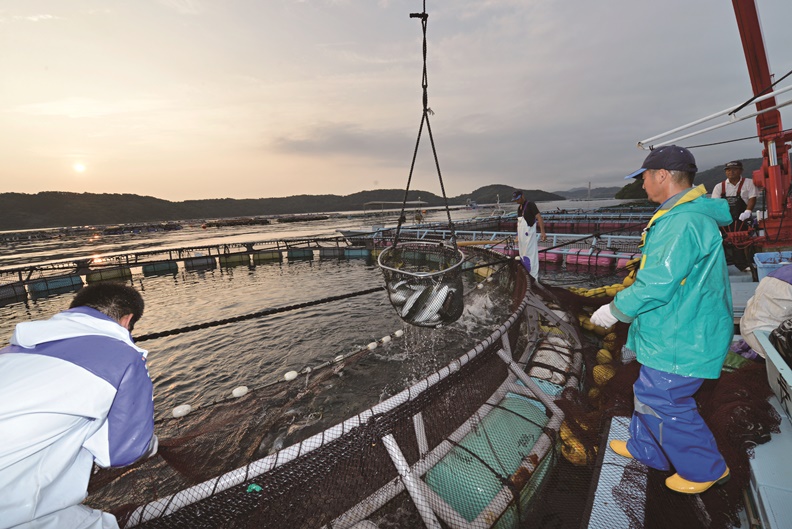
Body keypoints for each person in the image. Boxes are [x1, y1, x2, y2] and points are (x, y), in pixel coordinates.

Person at [590, 145, 734, 494]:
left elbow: (657, 283)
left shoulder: (682, 222)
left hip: (683, 334)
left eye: (644, 178)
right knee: (646, 390)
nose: (642, 185)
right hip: (673, 327)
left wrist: (614, 310)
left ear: (663, 176)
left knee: (663, 399)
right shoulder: (681, 217)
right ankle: (647, 448)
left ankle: (705, 470)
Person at [0, 283, 157, 529]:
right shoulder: (124, 357)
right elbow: (121, 453)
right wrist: (151, 444)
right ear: (127, 321)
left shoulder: (10, 353)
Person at [710, 160, 757, 271]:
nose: (731, 172)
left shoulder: (748, 183)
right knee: (723, 241)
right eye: (728, 170)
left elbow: (752, 198)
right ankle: (723, 265)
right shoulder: (719, 187)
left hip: (743, 218)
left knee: (742, 241)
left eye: (734, 169)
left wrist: (748, 212)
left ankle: (745, 265)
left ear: (741, 170)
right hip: (725, 220)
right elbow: (715, 205)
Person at [511, 190, 547, 280]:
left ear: (522, 196)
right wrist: (517, 235)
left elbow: (539, 217)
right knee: (522, 256)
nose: (517, 201)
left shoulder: (530, 205)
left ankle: (534, 278)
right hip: (521, 238)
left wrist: (542, 232)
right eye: (515, 200)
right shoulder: (519, 208)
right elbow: (518, 224)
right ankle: (526, 277)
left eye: (518, 199)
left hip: (529, 237)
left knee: (531, 257)